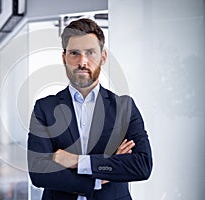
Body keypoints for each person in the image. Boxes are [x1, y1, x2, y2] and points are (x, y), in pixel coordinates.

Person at [27, 18, 152, 200]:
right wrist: (99, 177)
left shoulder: (124, 107)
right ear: (64, 58)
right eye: (74, 53)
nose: (82, 62)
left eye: (90, 53)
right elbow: (38, 172)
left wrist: (76, 161)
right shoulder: (44, 108)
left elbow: (142, 165)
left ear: (103, 57)